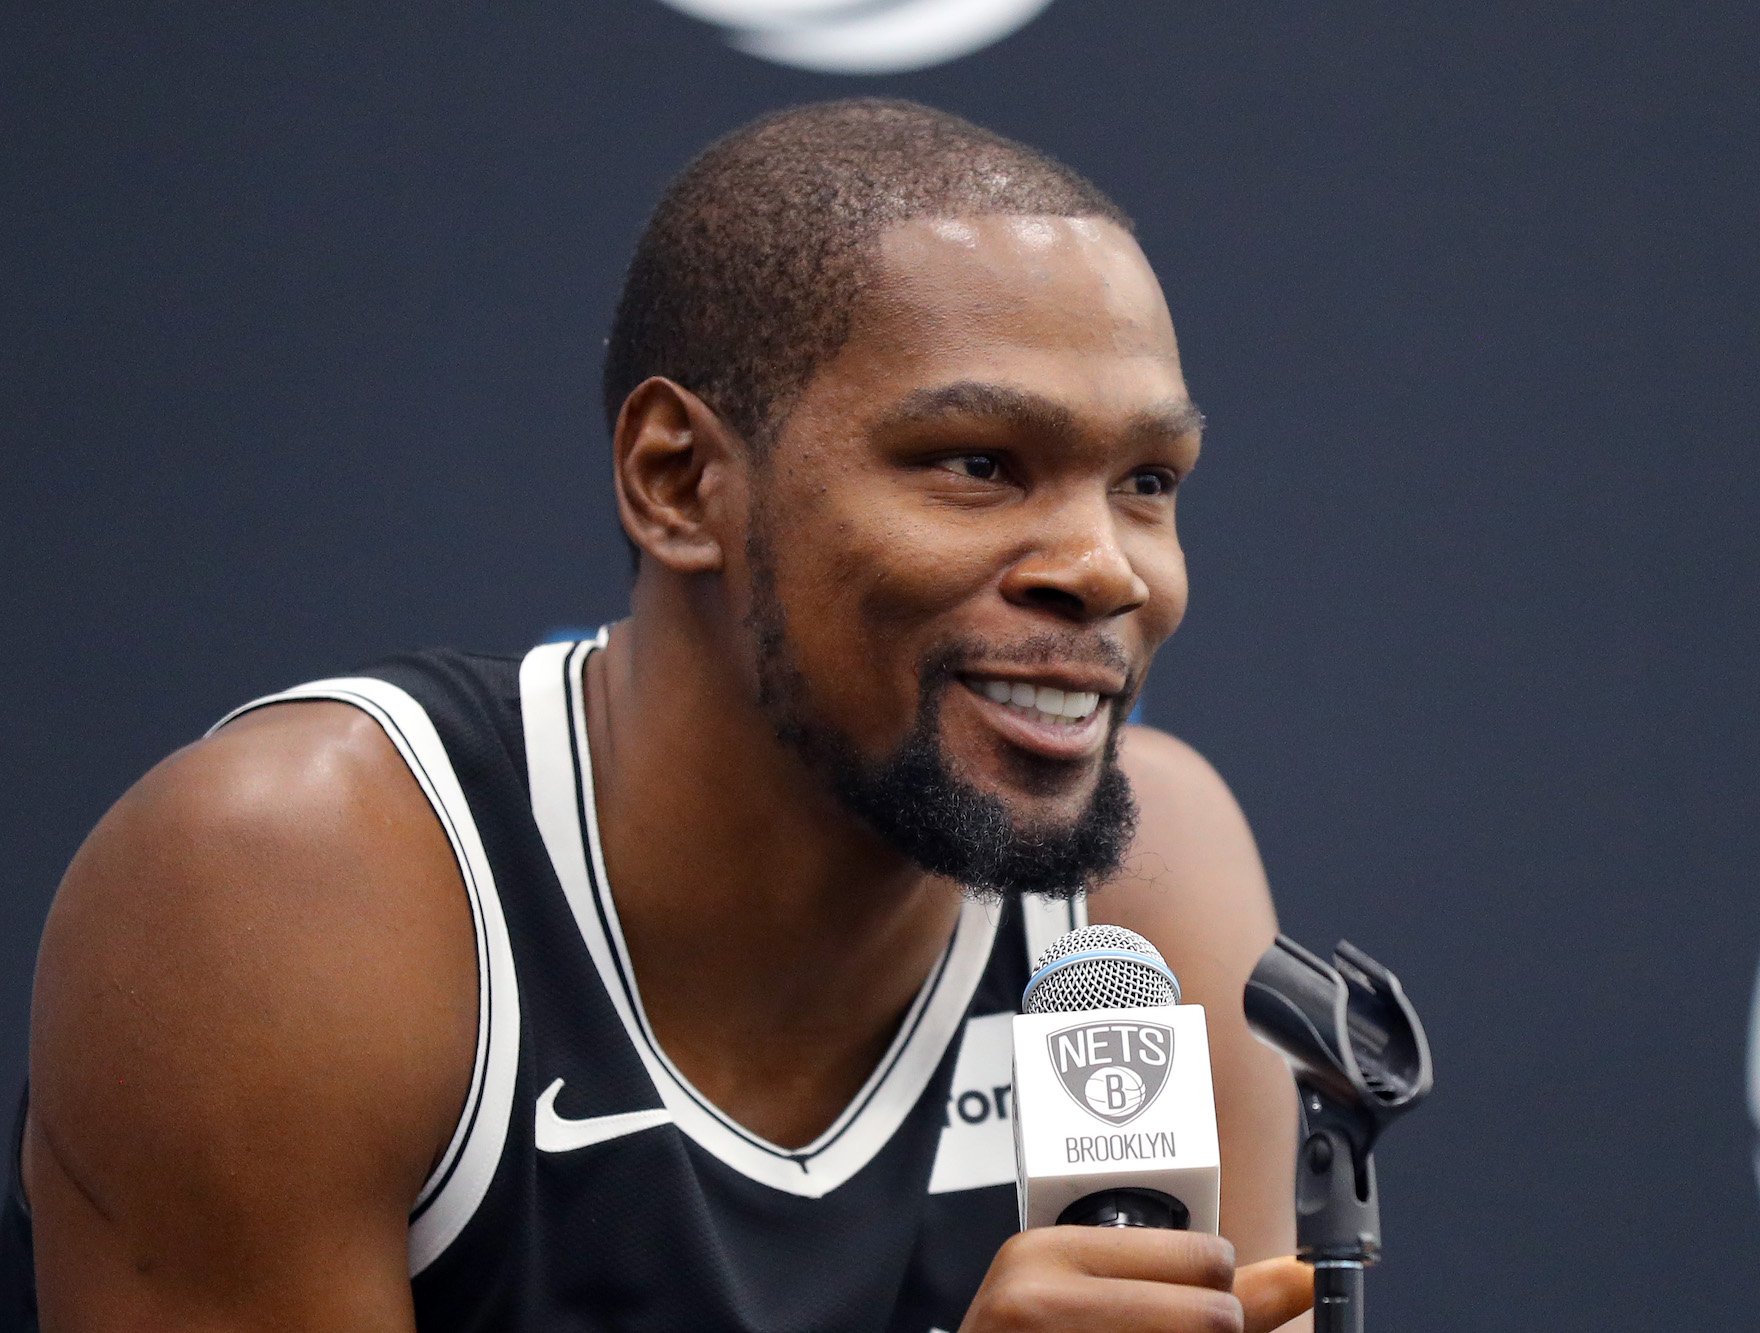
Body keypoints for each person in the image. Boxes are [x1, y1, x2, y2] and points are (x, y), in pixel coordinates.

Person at [3, 98, 1312, 1331]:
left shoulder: (1151, 883)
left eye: (1147, 480)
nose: (1106, 567)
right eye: (977, 463)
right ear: (679, 480)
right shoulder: (280, 890)